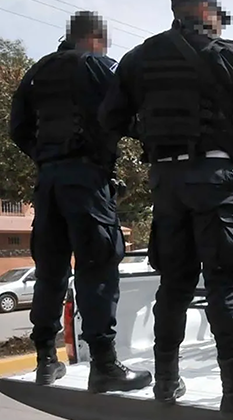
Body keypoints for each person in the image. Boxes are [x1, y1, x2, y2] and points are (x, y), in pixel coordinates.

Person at [97, 0, 233, 413]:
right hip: (213, 178)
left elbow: (109, 118)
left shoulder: (139, 57)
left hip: (165, 182)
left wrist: (152, 130)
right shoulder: (224, 53)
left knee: (174, 283)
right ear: (206, 12)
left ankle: (167, 382)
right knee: (224, 279)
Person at [9, 11, 152, 392]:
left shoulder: (36, 72)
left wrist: (45, 156)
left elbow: (17, 129)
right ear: (93, 38)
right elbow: (130, 114)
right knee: (97, 266)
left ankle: (45, 361)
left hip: (48, 183)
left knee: (50, 271)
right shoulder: (98, 66)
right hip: (86, 181)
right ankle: (104, 366)